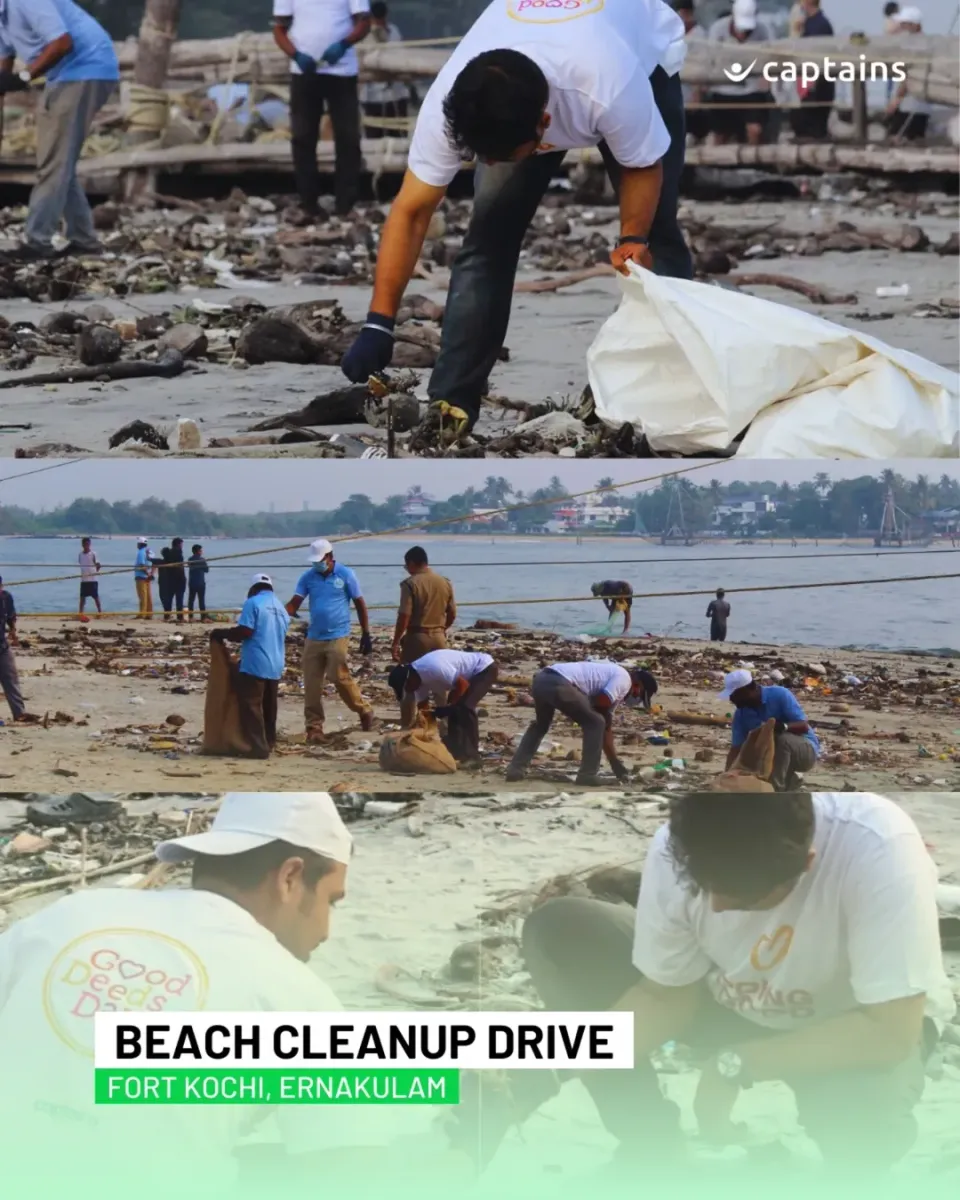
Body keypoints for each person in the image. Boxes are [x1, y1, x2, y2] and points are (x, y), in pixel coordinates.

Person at [451, 793, 955, 1179]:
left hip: (850, 1025)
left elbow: (889, 1031)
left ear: (806, 863)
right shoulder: (684, 840)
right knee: (561, 928)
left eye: (741, 898)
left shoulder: (877, 847)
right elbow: (663, 996)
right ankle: (651, 1151)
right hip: (724, 1000)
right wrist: (536, 1074)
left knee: (863, 1136)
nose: (714, 909)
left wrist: (736, 1066)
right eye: (704, 888)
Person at [0, 792, 467, 1193]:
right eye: (330, 901)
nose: (325, 930)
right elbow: (344, 1173)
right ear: (289, 877)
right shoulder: (296, 994)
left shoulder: (66, 916)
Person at [341, 0, 694, 441]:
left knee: (657, 237)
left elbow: (644, 166)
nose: (487, 164)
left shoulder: (608, 84)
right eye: (479, 155)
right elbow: (411, 212)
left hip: (643, 58)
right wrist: (379, 321)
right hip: (526, 77)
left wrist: (632, 237)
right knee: (488, 238)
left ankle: (670, 393)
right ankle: (451, 404)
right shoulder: (457, 101)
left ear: (544, 126)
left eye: (500, 156)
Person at [0, 0, 118, 261]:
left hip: (85, 68)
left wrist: (25, 77)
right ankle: (84, 240)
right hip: (63, 75)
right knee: (57, 161)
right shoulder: (2, 16)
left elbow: (62, 43)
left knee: (53, 165)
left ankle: (37, 242)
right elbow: (4, 64)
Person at [272, 0, 372, 221]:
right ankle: (309, 202)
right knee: (303, 137)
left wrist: (345, 44)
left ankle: (345, 203)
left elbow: (364, 22)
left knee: (348, 137)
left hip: (342, 71)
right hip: (304, 71)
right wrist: (295, 55)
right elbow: (279, 29)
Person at [507, 662, 658, 787]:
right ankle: (588, 775)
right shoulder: (624, 679)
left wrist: (614, 762)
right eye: (639, 694)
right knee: (595, 722)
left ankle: (516, 769)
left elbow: (606, 729)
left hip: (541, 680)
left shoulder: (613, 684)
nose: (635, 697)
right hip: (560, 682)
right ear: (637, 684)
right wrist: (594, 716)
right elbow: (602, 704)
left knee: (541, 725)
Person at [286, 539, 374, 742]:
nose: (317, 564)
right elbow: (294, 603)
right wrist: (278, 614)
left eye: (320, 560)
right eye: (315, 561)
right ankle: (314, 727)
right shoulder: (308, 577)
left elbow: (360, 603)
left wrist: (366, 633)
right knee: (311, 683)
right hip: (314, 636)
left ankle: (363, 710)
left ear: (330, 557)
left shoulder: (346, 574)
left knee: (338, 676)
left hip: (338, 635)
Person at [212, 574, 291, 759]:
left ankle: (258, 747)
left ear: (253, 588)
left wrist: (221, 633)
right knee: (270, 706)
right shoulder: (280, 607)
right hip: (276, 663)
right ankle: (270, 741)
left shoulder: (253, 603)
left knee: (251, 705)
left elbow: (245, 631)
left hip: (256, 662)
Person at [720, 668, 820, 791]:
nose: (731, 699)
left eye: (734, 695)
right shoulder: (741, 714)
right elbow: (736, 748)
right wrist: (727, 775)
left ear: (748, 690)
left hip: (804, 752)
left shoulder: (780, 695)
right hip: (772, 758)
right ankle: (789, 780)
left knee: (780, 738)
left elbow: (803, 726)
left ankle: (776, 788)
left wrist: (783, 726)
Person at [388, 649, 498, 757]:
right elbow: (423, 708)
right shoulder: (416, 682)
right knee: (455, 711)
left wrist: (449, 709)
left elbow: (463, 685)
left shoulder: (432, 668)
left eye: (407, 688)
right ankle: (457, 750)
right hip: (461, 681)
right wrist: (425, 726)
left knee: (465, 707)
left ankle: (472, 754)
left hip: (483, 669)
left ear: (409, 679)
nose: (410, 691)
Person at [392, 545, 457, 725]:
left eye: (407, 566)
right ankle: (444, 725)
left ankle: (407, 725)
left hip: (416, 637)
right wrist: (442, 629)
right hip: (439, 638)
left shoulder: (410, 584)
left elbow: (404, 615)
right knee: (440, 685)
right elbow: (452, 613)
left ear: (412, 563)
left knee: (409, 684)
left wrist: (396, 641)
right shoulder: (445, 582)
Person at [706, 0, 775, 146]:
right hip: (722, 89)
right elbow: (709, 59)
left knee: (755, 130)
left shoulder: (764, 31)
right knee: (719, 134)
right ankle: (718, 164)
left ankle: (753, 163)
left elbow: (772, 57)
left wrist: (767, 78)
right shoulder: (717, 29)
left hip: (752, 89)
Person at [361, 2, 409, 140]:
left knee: (399, 138)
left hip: (396, 95)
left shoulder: (394, 31)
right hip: (372, 97)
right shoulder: (364, 35)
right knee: (374, 138)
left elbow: (403, 57)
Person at [790, 0, 835, 141]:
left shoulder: (820, 24)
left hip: (816, 84)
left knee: (813, 128)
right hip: (808, 83)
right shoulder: (809, 23)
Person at [885, 7, 930, 140]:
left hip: (910, 105)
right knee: (916, 141)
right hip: (920, 106)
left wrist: (897, 99)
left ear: (914, 26)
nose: (901, 28)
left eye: (904, 25)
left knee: (895, 138)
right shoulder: (924, 42)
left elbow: (909, 74)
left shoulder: (915, 45)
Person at [673, 2, 709, 142]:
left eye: (685, 13)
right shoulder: (669, 33)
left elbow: (703, 65)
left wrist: (697, 92)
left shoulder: (700, 34)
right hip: (673, 86)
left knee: (692, 130)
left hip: (692, 88)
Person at [0, 576, 24, 721]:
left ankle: (19, 713)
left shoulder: (6, 597)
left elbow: (11, 616)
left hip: (2, 644)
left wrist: (13, 631)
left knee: (10, 678)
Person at [77, 535, 101, 616]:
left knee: (95, 597)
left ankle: (100, 612)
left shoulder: (93, 554)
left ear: (90, 544)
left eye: (88, 544)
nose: (87, 546)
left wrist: (94, 572)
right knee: (82, 597)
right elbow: (81, 564)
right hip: (84, 580)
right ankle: (80, 613)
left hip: (93, 579)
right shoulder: (80, 554)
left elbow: (98, 565)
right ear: (82, 545)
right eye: (85, 544)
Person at [187, 543, 209, 621]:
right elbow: (207, 570)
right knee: (201, 600)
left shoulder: (190, 559)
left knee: (191, 600)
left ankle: (190, 617)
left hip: (192, 582)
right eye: (201, 550)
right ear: (198, 551)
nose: (202, 551)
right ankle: (203, 617)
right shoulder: (202, 560)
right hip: (200, 582)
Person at [133, 536, 154, 619]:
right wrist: (150, 574)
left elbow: (141, 565)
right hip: (147, 576)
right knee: (148, 596)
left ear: (140, 544)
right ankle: (149, 613)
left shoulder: (141, 552)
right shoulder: (150, 552)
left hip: (141, 576)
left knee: (142, 596)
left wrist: (147, 573)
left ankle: (142, 614)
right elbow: (154, 563)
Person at [167, 536, 187, 623]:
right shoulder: (178, 552)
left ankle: (167, 614)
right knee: (179, 598)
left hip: (171, 578)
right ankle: (179, 616)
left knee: (170, 598)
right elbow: (179, 565)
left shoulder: (169, 552)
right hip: (179, 578)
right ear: (179, 544)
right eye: (181, 544)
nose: (182, 546)